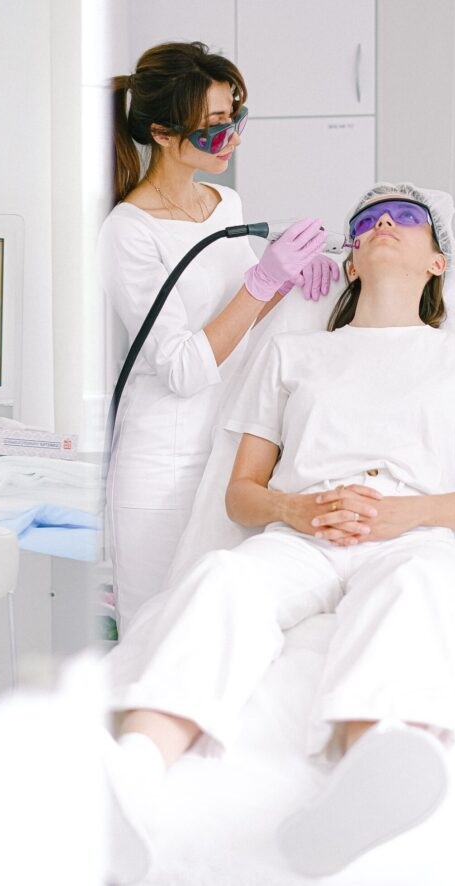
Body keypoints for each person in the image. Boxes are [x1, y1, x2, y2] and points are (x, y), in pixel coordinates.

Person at [101, 183, 455, 884]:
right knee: (223, 579)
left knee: (417, 587)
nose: (387, 225)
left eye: (408, 220)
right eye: (369, 222)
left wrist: (406, 515)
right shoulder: (295, 355)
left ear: (438, 262)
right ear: (350, 259)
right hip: (304, 532)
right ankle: (132, 777)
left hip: (412, 534)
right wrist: (295, 511)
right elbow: (241, 494)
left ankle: (360, 786)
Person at [97, 41, 338, 630]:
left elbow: (242, 318)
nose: (229, 137)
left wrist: (289, 280)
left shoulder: (225, 203)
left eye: (236, 118)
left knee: (215, 633)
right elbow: (181, 367)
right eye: (212, 128)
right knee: (156, 637)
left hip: (228, 454)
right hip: (165, 467)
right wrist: (262, 280)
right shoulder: (128, 232)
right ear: (161, 131)